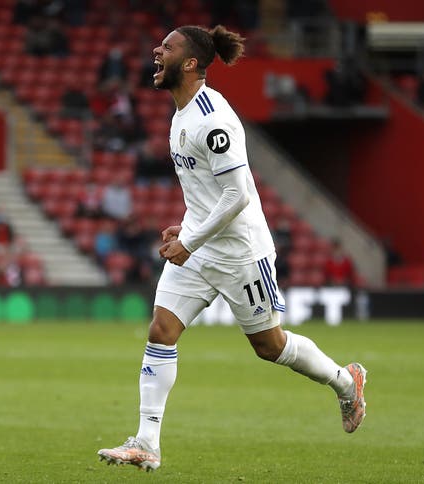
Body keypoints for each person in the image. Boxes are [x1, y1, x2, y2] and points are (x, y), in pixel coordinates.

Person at [97, 25, 368, 472]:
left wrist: (190, 239)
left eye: (167, 47)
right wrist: (183, 231)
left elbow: (237, 195)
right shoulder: (180, 113)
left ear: (189, 63)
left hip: (241, 253)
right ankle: (147, 442)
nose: (156, 51)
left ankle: (346, 383)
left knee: (269, 346)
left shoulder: (213, 120)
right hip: (199, 247)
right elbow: (207, 193)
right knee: (161, 331)